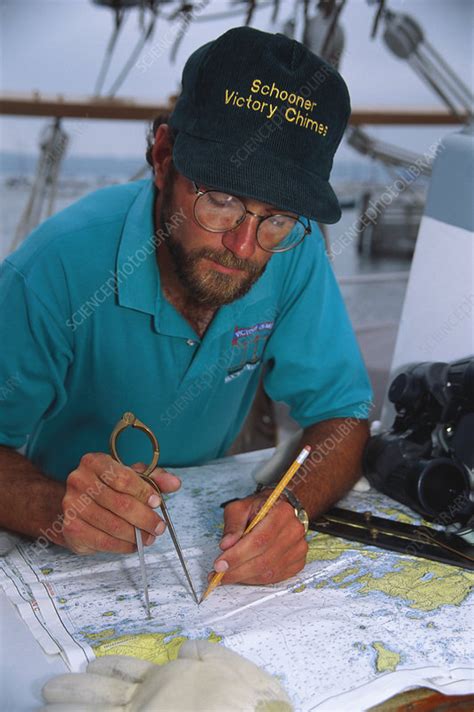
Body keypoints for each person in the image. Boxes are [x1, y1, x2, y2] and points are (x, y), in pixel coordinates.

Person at [0, 26, 372, 585]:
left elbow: (343, 413)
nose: (244, 247)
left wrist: (288, 505)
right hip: (59, 552)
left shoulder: (294, 252)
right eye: (220, 201)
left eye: (275, 217)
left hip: (206, 531)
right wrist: (55, 508)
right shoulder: (53, 268)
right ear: (163, 156)